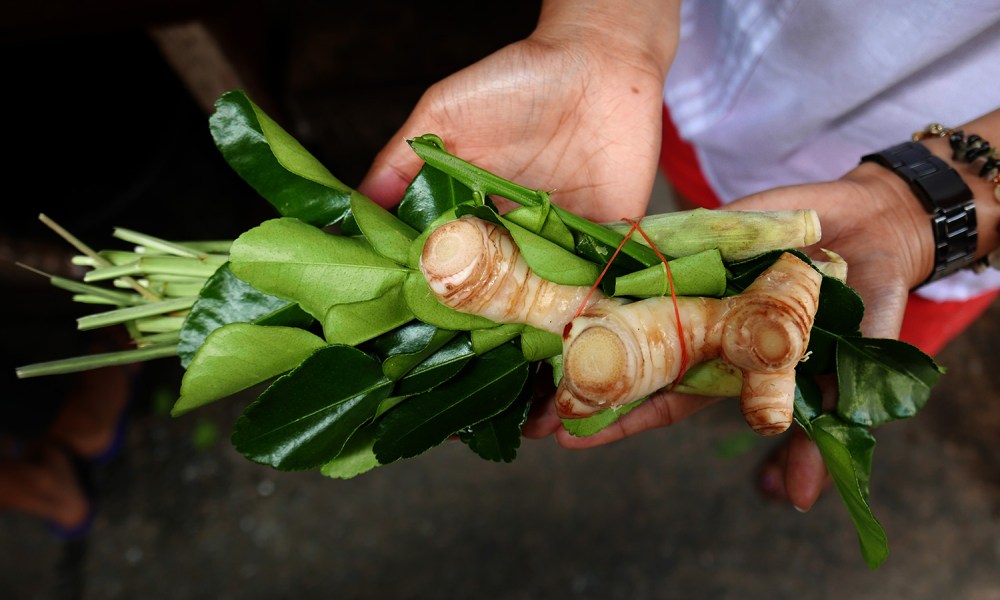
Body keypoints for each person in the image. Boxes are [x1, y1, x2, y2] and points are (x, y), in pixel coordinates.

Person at [357, 1, 1000, 512]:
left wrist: (922, 208)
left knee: (860, 347)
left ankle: (799, 423)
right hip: (696, 73)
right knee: (702, 220)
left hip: (956, 217)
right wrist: (607, 28)